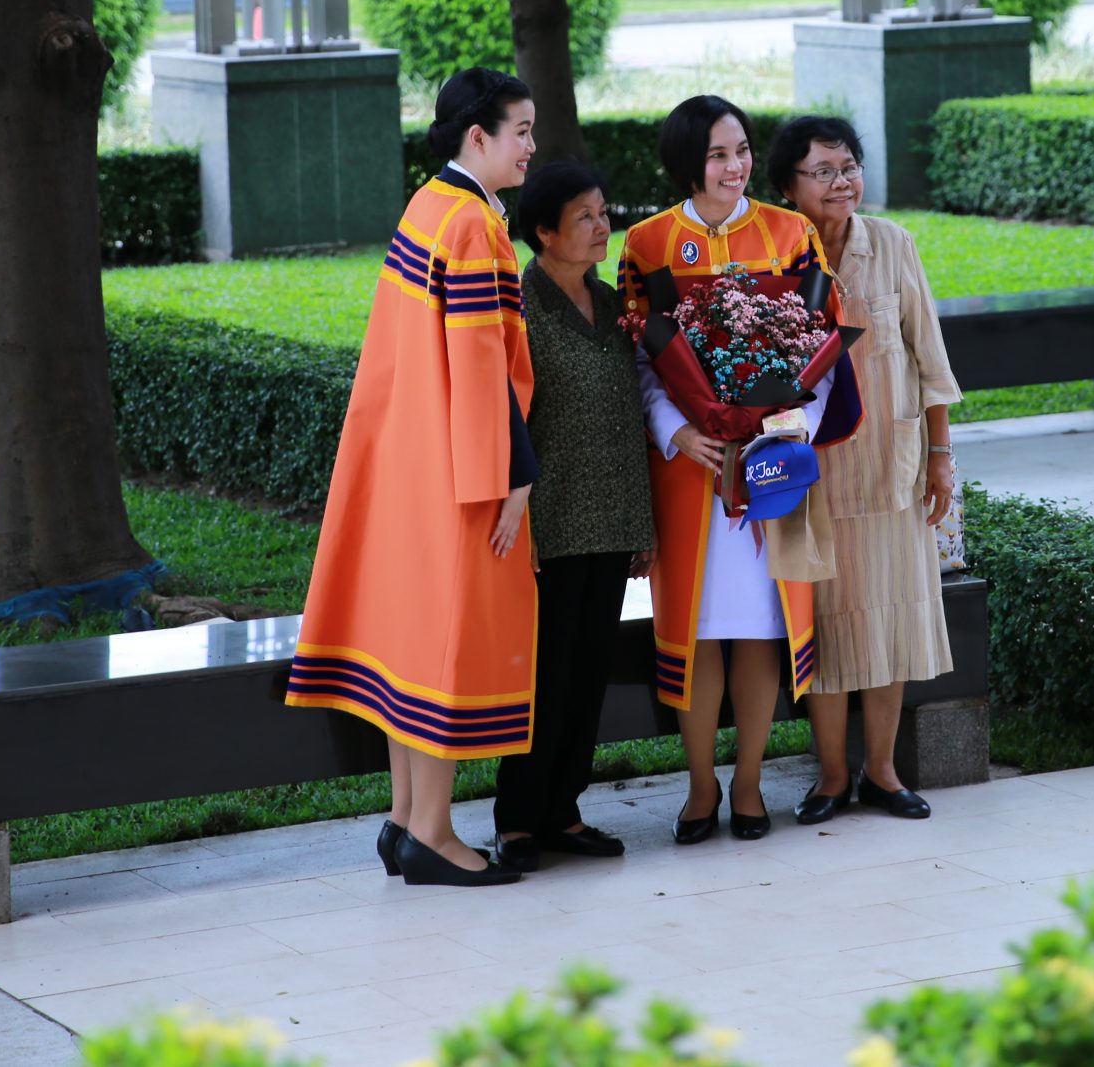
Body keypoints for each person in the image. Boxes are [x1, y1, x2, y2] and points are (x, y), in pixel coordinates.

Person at [286, 68, 539, 887]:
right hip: (459, 473)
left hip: (408, 459)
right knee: (446, 650)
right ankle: (432, 831)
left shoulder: (428, 204)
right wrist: (512, 479)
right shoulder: (471, 225)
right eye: (522, 131)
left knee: (411, 649)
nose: (532, 146)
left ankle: (404, 820)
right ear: (479, 136)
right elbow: (481, 369)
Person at [619, 95, 837, 842]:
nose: (735, 165)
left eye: (741, 149)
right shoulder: (647, 245)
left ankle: (747, 783)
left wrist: (789, 426)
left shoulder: (791, 234)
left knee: (758, 624)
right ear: (688, 163)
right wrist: (678, 431)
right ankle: (700, 785)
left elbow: (822, 343)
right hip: (691, 474)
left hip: (772, 464)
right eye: (717, 154)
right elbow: (639, 357)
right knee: (699, 629)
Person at [766, 115, 959, 826]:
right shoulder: (777, 255)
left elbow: (930, 360)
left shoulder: (894, 243)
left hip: (892, 467)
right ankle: (831, 776)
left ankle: (882, 772)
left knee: (891, 621)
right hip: (813, 474)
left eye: (848, 166)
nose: (841, 181)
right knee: (824, 626)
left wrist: (940, 456)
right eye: (823, 171)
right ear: (788, 186)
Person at [492, 159, 654, 872]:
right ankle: (518, 819)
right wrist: (518, 518)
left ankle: (564, 811)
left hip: (611, 517)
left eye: (603, 212)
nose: (601, 226)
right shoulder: (518, 307)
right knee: (546, 676)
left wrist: (641, 524)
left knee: (588, 672)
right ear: (544, 233)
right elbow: (505, 419)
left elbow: (630, 414)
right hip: (549, 523)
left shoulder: (614, 305)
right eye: (583, 216)